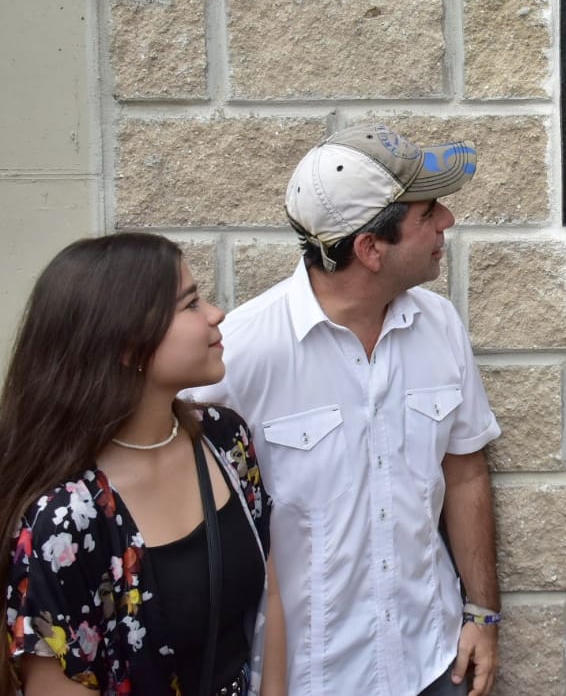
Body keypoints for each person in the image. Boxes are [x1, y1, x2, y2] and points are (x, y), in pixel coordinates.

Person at [187, 124, 502, 696]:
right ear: (369, 249)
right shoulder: (237, 354)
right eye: (427, 212)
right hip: (308, 677)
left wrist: (482, 614)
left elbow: (465, 472)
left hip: (433, 663)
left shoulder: (440, 326)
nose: (446, 222)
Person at [1, 233, 285, 695]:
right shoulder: (63, 518)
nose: (216, 314)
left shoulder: (225, 439)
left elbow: (269, 596)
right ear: (128, 345)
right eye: (191, 303)